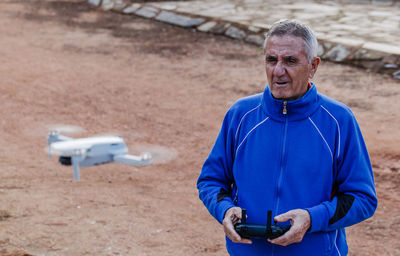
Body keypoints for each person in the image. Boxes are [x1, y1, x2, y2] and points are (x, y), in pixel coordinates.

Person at [197, 19, 377, 255]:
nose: (278, 71)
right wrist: (224, 209)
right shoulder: (240, 115)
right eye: (272, 60)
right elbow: (210, 181)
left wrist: (312, 218)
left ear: (313, 66)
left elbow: (362, 198)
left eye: (290, 61)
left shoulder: (339, 120)